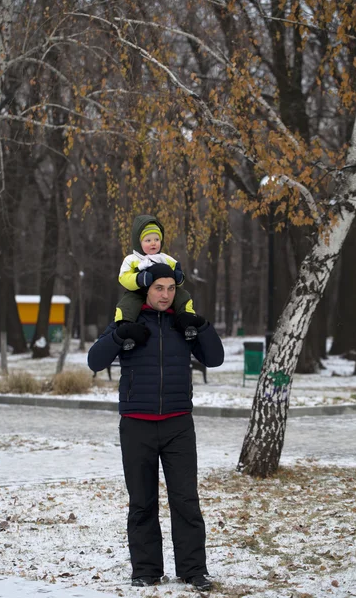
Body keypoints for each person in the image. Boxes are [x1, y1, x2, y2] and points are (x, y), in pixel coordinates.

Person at [88, 263, 224, 592]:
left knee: (186, 500)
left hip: (178, 423)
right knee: (142, 501)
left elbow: (215, 358)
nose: (165, 295)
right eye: (159, 288)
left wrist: (201, 326)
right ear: (146, 290)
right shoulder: (129, 321)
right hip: (137, 425)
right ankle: (146, 570)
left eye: (171, 289)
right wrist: (120, 335)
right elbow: (95, 361)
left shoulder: (183, 324)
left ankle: (193, 570)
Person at [115, 214, 199, 343]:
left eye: (156, 239)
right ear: (139, 242)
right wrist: (139, 279)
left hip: (162, 292)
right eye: (148, 240)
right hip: (139, 291)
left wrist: (178, 276)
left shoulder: (164, 258)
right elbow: (123, 277)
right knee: (127, 304)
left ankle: (187, 321)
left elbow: (177, 268)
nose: (153, 243)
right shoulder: (132, 259)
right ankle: (126, 328)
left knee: (183, 296)